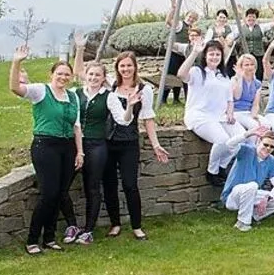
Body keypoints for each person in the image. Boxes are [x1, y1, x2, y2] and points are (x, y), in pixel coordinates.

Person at [10, 45, 83, 255]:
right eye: (59, 73)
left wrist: (80, 152)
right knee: (49, 193)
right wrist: (16, 62)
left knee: (60, 193)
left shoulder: (73, 97)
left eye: (67, 74)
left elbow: (76, 126)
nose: (63, 77)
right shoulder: (41, 91)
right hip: (45, 146)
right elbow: (16, 88)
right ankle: (33, 239)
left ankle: (50, 237)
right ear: (51, 74)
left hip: (67, 147)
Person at [105, 52, 170, 241]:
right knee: (109, 185)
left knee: (130, 184)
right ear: (117, 68)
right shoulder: (112, 85)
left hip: (129, 143)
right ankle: (115, 224)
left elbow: (148, 119)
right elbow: (82, 73)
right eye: (122, 66)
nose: (125, 69)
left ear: (135, 67)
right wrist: (80, 50)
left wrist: (156, 145)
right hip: (108, 142)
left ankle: (136, 226)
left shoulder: (144, 89)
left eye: (129, 66)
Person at [179, 39, 243, 187]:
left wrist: (230, 113)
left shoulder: (224, 76)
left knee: (240, 139)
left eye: (217, 54)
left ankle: (222, 167)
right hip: (199, 116)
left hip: (220, 117)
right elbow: (181, 74)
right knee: (222, 140)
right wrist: (194, 52)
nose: (214, 57)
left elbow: (230, 99)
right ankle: (212, 172)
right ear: (205, 56)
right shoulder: (197, 72)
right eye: (211, 54)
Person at [71, 34, 110, 246]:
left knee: (92, 186)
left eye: (98, 75)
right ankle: (71, 224)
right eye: (91, 74)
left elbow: (123, 116)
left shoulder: (108, 95)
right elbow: (77, 72)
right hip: (76, 143)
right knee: (62, 185)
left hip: (97, 144)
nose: (94, 77)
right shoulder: (77, 93)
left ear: (104, 78)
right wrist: (79, 49)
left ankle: (89, 229)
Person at [221, 125, 274, 232]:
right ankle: (243, 223)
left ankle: (254, 216)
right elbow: (229, 144)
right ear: (258, 142)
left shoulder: (272, 161)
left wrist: (268, 198)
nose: (268, 148)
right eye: (265, 144)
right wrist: (249, 133)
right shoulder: (246, 151)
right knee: (252, 185)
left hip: (252, 193)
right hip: (233, 197)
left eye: (272, 147)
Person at [162, 9, 199, 104]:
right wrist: (173, 9)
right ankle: (163, 98)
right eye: (190, 17)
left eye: (194, 18)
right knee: (170, 75)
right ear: (186, 16)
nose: (191, 19)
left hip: (185, 54)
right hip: (175, 53)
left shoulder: (193, 28)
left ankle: (176, 98)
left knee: (182, 76)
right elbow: (168, 21)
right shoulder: (180, 25)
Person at [239, 5, 274, 81]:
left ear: (256, 18)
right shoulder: (240, 28)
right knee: (244, 76)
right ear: (246, 17)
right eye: (249, 16)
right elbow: (231, 36)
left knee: (258, 75)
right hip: (245, 56)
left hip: (258, 55)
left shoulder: (261, 27)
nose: (251, 18)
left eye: (253, 17)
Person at [230, 54, 263, 131]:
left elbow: (255, 104)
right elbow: (237, 96)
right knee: (254, 126)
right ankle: (250, 143)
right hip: (237, 112)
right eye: (246, 65)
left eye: (252, 65)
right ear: (241, 67)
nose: (250, 67)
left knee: (266, 124)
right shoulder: (234, 79)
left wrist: (254, 115)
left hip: (248, 112)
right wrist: (240, 78)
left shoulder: (257, 83)